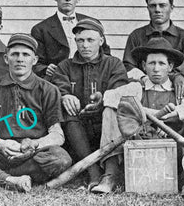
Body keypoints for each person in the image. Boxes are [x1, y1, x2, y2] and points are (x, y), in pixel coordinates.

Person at [92, 37, 184, 197]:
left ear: (170, 67)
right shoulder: (137, 88)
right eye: (151, 63)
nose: (156, 69)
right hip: (140, 146)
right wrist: (143, 112)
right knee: (109, 111)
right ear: (144, 66)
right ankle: (111, 174)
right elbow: (109, 97)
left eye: (161, 64)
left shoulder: (179, 92)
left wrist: (179, 112)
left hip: (173, 150)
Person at [0, 33, 72, 192]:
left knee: (61, 158)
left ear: (34, 60)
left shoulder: (48, 89)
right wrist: (1, 144)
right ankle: (9, 180)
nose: (20, 59)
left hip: (32, 154)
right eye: (15, 54)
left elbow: (57, 134)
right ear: (6, 59)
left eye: (25, 54)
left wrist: (34, 145)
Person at [51, 17, 129, 188]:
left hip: (105, 129)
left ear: (101, 41)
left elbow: (120, 89)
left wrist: (103, 99)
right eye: (80, 40)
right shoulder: (65, 66)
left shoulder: (113, 64)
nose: (85, 45)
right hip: (77, 134)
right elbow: (56, 86)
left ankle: (111, 172)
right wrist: (64, 95)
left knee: (114, 109)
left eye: (90, 40)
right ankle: (93, 171)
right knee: (66, 112)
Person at [31, 0, 110, 80]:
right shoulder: (41, 29)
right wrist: (45, 69)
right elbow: (34, 63)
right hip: (58, 79)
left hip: (90, 77)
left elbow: (106, 54)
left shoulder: (93, 24)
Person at [122, 0, 184, 100]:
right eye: (153, 6)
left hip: (174, 93)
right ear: (148, 8)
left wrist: (176, 77)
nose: (157, 10)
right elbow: (128, 65)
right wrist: (144, 78)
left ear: (171, 8)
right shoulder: (136, 36)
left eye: (162, 5)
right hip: (143, 91)